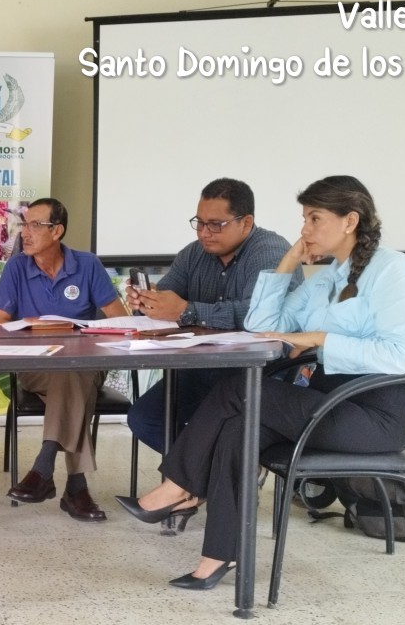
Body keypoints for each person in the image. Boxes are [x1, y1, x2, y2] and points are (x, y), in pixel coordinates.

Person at [122, 176, 405, 589]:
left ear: (350, 221)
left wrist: (319, 338)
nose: (304, 229)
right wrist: (288, 262)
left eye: (314, 218)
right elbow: (262, 325)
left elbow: (401, 356)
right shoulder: (328, 277)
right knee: (237, 427)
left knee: (238, 389)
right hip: (326, 400)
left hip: (373, 413)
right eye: (304, 218)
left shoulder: (396, 271)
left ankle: (179, 486)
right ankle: (217, 557)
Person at [124, 178, 297, 454]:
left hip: (257, 371)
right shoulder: (193, 254)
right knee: (145, 418)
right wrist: (146, 302)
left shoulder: (270, 252)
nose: (204, 233)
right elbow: (167, 299)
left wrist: (187, 311)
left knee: (219, 425)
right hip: (201, 366)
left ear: (246, 223)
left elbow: (257, 315)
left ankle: (218, 471)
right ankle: (215, 471)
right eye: (199, 223)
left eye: (215, 224)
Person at [0, 197, 128, 522]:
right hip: (36, 367)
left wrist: (89, 334)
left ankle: (44, 464)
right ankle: (75, 488)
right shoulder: (16, 267)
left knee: (72, 368)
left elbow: (120, 320)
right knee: (72, 377)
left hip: (85, 366)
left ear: (57, 231)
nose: (25, 232)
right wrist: (30, 326)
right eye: (24, 224)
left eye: (35, 225)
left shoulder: (87, 265)